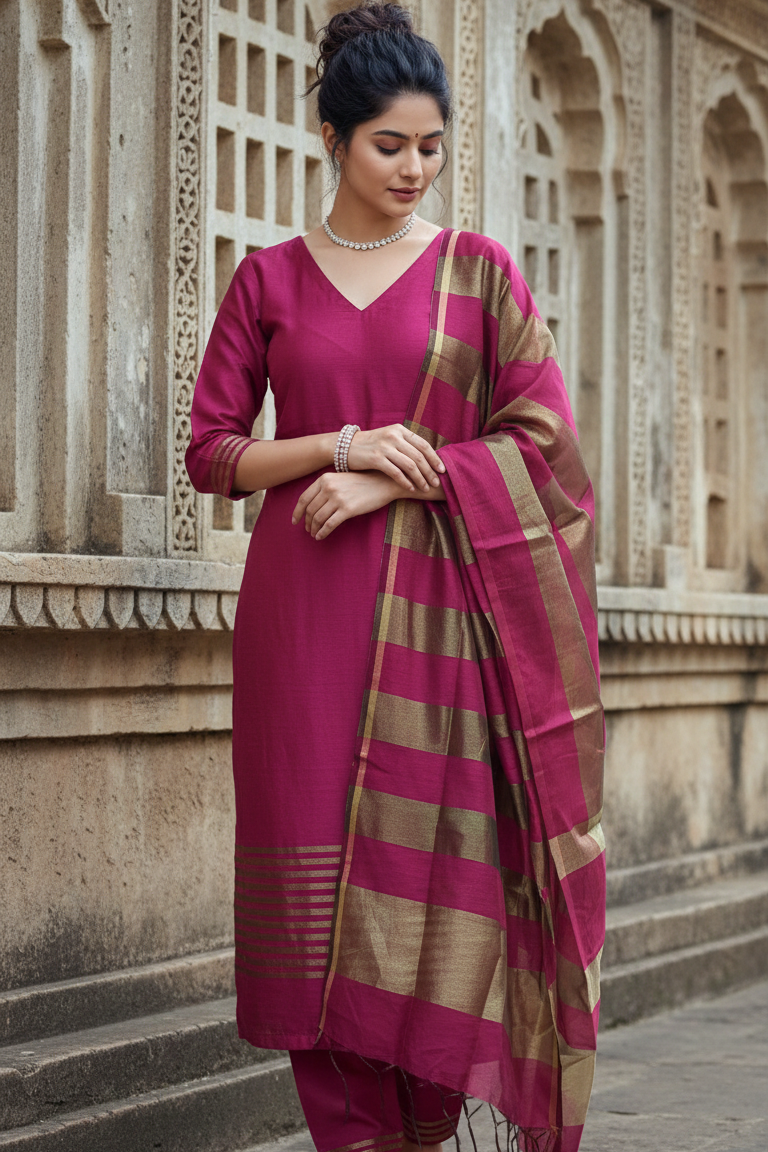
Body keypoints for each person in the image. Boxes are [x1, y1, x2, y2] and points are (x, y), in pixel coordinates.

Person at [185, 5, 605, 1151]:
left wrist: (398, 480)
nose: (415, 169)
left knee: (433, 898)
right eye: (390, 146)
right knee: (317, 916)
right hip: (304, 623)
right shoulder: (267, 282)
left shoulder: (479, 275)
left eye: (431, 147)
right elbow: (213, 453)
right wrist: (338, 446)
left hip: (445, 639)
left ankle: (416, 1134)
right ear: (331, 136)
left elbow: (548, 451)